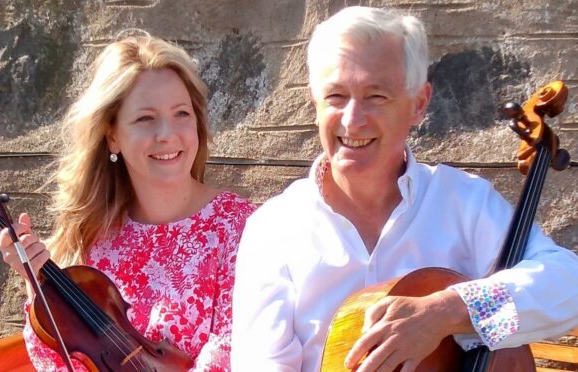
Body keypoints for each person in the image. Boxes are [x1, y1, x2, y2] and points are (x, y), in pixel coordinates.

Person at [230, 6, 578, 372]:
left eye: (376, 96)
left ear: (419, 104)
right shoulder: (273, 229)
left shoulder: (463, 201)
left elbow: (568, 284)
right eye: (335, 96)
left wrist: (446, 311)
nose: (352, 119)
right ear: (314, 102)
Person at [0, 33, 255, 371]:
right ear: (113, 136)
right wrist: (40, 290)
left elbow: (235, 349)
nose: (167, 133)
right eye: (145, 118)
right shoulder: (92, 238)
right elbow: (61, 361)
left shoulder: (242, 227)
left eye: (181, 113)